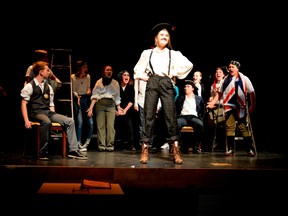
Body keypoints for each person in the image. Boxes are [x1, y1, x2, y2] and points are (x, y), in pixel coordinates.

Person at [134, 22, 193, 164]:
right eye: (162, 35)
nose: (164, 37)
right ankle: (145, 149)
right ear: (155, 38)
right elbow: (137, 70)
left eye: (167, 35)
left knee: (170, 116)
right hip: (153, 81)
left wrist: (172, 72)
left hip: (166, 82)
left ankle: (175, 150)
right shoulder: (147, 53)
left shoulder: (174, 54)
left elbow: (188, 65)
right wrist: (146, 77)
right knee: (148, 115)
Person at [20, 61, 87, 160]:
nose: (49, 72)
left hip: (47, 112)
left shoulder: (49, 87)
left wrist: (55, 117)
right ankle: (43, 152)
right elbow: (23, 104)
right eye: (47, 70)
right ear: (41, 72)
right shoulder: (29, 86)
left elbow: (51, 104)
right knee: (46, 122)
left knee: (69, 121)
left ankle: (73, 150)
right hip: (36, 112)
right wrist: (26, 120)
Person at [207, 60, 256, 157]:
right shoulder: (225, 80)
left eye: (232, 67)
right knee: (229, 127)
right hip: (228, 106)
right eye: (229, 67)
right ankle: (230, 149)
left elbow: (252, 93)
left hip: (240, 107)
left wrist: (253, 105)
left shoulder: (244, 78)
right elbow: (220, 94)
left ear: (237, 68)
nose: (230, 69)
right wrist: (212, 103)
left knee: (243, 127)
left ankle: (249, 149)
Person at [87, 64, 123, 152]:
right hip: (100, 104)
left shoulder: (115, 83)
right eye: (107, 70)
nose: (109, 71)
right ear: (103, 72)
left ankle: (110, 145)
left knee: (110, 126)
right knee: (100, 126)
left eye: (110, 70)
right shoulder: (99, 82)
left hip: (111, 105)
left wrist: (118, 107)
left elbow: (117, 97)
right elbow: (95, 96)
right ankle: (102, 145)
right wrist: (91, 108)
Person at [175, 80, 205, 154]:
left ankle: (196, 146)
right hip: (183, 116)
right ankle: (179, 146)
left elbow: (202, 110)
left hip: (193, 116)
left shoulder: (198, 98)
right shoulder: (180, 98)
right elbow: (176, 109)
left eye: (188, 86)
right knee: (176, 124)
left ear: (193, 88)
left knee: (200, 125)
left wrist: (200, 118)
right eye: (185, 87)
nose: (186, 88)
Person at [71, 60, 94, 152]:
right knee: (79, 122)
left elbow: (88, 88)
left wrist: (89, 91)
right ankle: (78, 142)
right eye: (84, 67)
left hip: (86, 99)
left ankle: (87, 141)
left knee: (90, 122)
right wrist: (77, 96)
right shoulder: (73, 77)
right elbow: (73, 90)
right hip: (77, 99)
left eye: (86, 67)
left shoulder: (88, 77)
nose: (86, 68)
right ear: (80, 68)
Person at [207, 66, 227, 151]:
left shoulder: (225, 83)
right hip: (215, 107)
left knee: (221, 124)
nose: (218, 74)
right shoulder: (213, 85)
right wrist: (211, 98)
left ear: (223, 75)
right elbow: (212, 97)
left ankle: (222, 143)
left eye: (220, 72)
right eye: (216, 72)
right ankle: (213, 142)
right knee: (210, 122)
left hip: (223, 106)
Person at [115, 70, 136, 150]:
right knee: (117, 125)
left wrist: (125, 110)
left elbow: (131, 101)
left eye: (128, 75)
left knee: (129, 125)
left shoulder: (130, 87)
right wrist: (118, 109)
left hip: (127, 109)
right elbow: (115, 98)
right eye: (125, 75)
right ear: (121, 76)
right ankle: (117, 143)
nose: (127, 77)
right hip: (117, 108)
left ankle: (130, 144)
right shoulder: (117, 86)